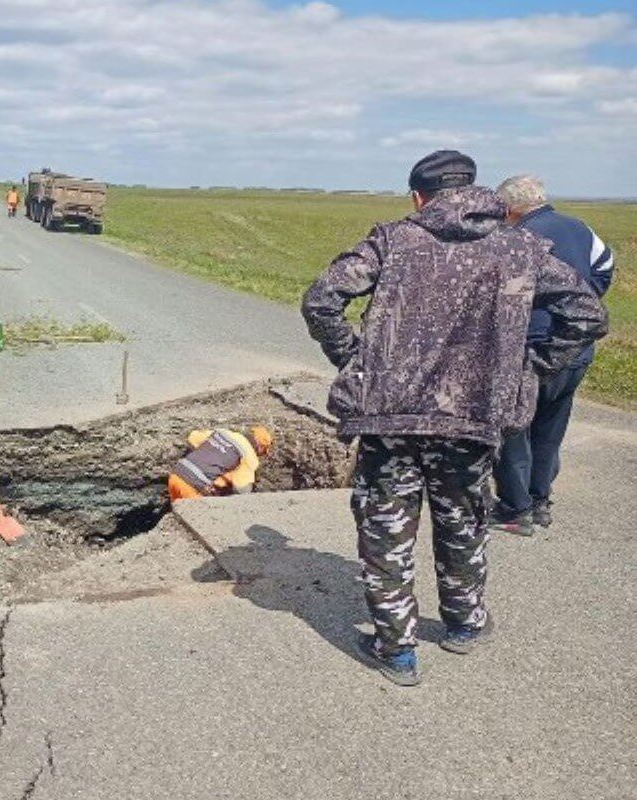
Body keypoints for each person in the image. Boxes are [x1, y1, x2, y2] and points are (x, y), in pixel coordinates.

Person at [301, 150, 607, 687]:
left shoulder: (391, 240)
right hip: (471, 418)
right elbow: (587, 314)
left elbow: (323, 299)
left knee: (386, 526)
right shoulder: (524, 248)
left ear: (419, 197)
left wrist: (355, 359)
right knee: (463, 519)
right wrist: (527, 369)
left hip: (388, 418)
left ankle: (395, 648)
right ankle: (465, 623)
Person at [490, 175, 615, 536]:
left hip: (528, 345)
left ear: (511, 207)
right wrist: (583, 298)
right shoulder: (582, 229)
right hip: (575, 347)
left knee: (513, 428)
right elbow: (605, 269)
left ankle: (515, 509)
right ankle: (540, 501)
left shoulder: (512, 239)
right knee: (550, 427)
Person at [168, 426, 274, 501]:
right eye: (263, 452)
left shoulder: (223, 432)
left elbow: (192, 439)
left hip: (176, 475)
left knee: (178, 518)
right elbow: (241, 490)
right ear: (260, 447)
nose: (261, 456)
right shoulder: (249, 456)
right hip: (193, 487)